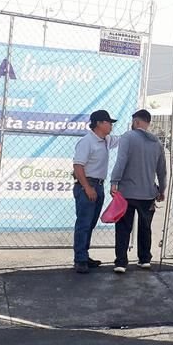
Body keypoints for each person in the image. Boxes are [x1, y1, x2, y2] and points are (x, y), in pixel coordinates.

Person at [110, 109, 167, 274]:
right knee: (145, 227)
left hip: (127, 193)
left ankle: (121, 262)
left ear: (136, 121)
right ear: (148, 122)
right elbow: (162, 170)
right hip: (148, 193)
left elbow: (121, 161)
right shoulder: (156, 142)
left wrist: (114, 181)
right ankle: (144, 259)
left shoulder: (128, 137)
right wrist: (161, 189)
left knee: (123, 227)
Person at [72, 109, 119, 274]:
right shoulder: (87, 141)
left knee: (90, 224)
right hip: (88, 185)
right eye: (108, 122)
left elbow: (121, 140)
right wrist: (87, 188)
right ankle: (80, 260)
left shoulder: (105, 140)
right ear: (99, 123)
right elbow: (78, 166)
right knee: (84, 224)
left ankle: (84, 255)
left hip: (98, 185)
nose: (111, 125)